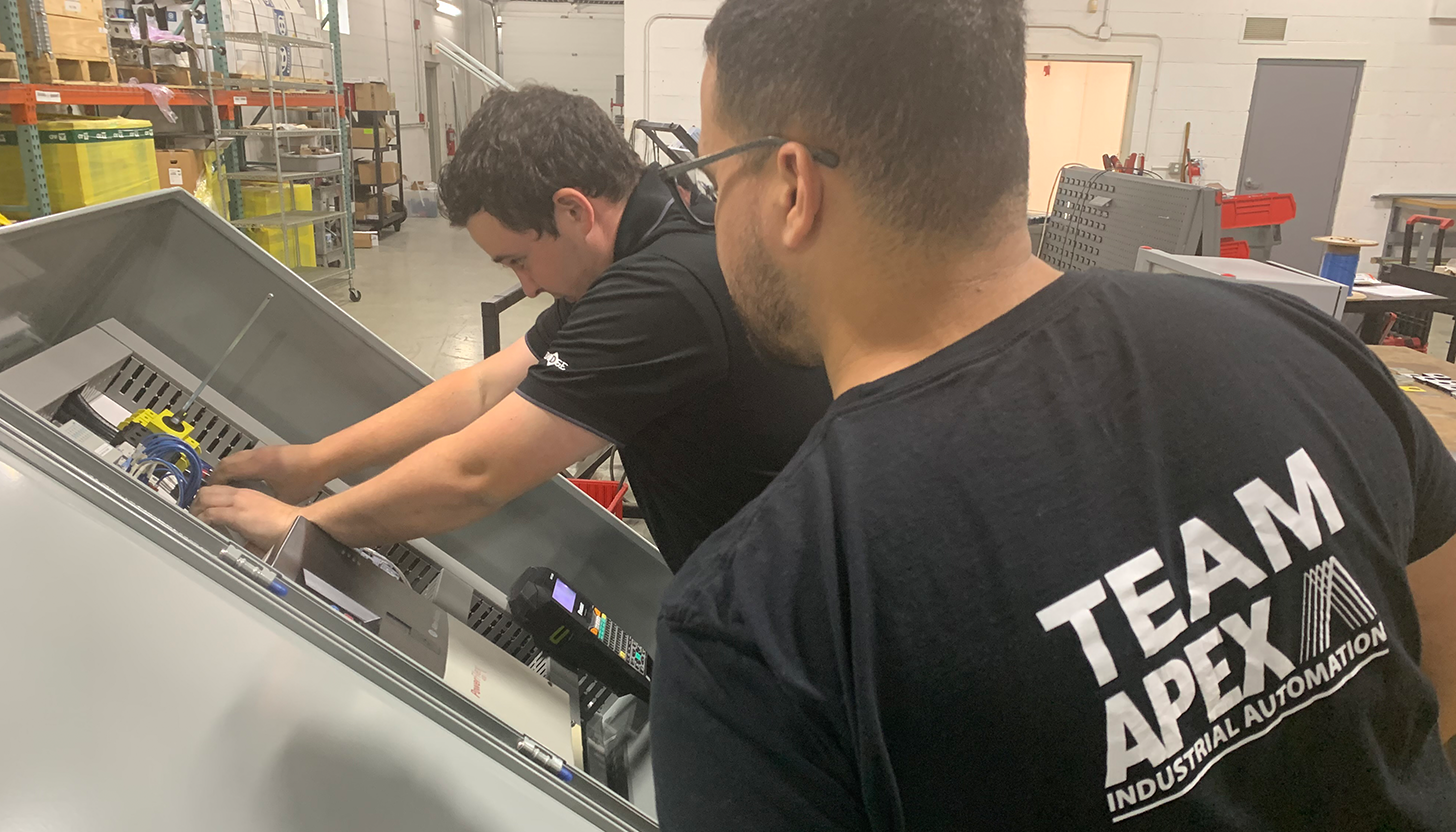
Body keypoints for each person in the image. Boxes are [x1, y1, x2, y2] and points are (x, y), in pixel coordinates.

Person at [648, 0, 1456, 829]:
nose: (711, 216)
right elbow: (1437, 658)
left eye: (716, 181)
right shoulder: (1295, 343)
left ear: (792, 186)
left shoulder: (757, 626)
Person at [192, 86, 831, 573]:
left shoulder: (660, 292)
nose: (525, 287)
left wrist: (301, 524)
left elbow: (476, 476)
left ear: (573, 210)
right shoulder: (652, 236)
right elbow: (480, 389)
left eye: (518, 259)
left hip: (793, 611)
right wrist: (317, 460)